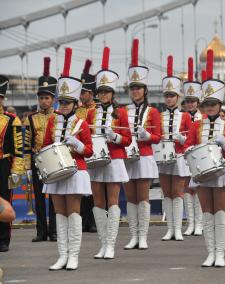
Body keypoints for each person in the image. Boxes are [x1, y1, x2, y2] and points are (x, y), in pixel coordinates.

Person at [183, 49, 225, 267]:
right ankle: (210, 252)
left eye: (213, 105)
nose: (209, 108)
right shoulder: (196, 125)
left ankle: (221, 253)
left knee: (220, 211)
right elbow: (187, 145)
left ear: (219, 105)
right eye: (206, 105)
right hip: (202, 172)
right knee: (207, 212)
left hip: (222, 171)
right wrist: (190, 148)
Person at [42, 48, 93, 270]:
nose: (62, 106)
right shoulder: (52, 122)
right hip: (55, 172)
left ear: (74, 104)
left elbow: (89, 151)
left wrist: (78, 144)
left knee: (73, 213)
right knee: (59, 213)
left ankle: (74, 255)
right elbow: (44, 145)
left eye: (66, 103)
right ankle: (62, 255)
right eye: (60, 103)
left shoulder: (82, 124)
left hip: (75, 170)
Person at [86, 46, 132, 259]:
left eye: (106, 91)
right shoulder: (91, 113)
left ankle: (111, 244)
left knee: (113, 201)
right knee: (98, 202)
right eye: (100, 92)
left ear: (112, 93)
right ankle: (102, 243)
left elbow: (128, 140)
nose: (103, 95)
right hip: (95, 161)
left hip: (114, 159)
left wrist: (114, 136)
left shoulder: (120, 112)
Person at [123, 39, 161, 250]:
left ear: (145, 90)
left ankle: (143, 236)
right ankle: (133, 235)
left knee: (143, 196)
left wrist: (146, 135)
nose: (135, 91)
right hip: (128, 157)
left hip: (145, 156)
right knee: (130, 197)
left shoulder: (153, 111)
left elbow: (158, 137)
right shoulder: (123, 111)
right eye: (132, 88)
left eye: (139, 88)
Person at [157, 55, 192, 241]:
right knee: (167, 192)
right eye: (167, 96)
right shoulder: (160, 115)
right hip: (163, 157)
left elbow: (190, 138)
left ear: (178, 97)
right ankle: (170, 228)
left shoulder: (185, 116)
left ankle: (178, 228)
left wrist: (182, 139)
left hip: (178, 156)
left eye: (172, 96)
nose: (169, 99)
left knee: (178, 192)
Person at [23, 57, 58, 242]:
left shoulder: (59, 117)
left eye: (47, 98)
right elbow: (27, 145)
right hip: (37, 162)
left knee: (53, 197)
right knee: (38, 198)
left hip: (53, 161)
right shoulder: (30, 119)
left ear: (53, 99)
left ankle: (54, 231)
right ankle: (40, 231)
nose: (44, 101)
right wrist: (28, 167)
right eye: (41, 98)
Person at [0, 75, 24, 252]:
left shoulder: (11, 119)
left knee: (5, 203)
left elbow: (19, 149)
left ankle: (3, 240)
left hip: (3, 165)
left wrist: (16, 171)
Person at [182, 57, 204, 236]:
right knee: (186, 190)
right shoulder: (182, 117)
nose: (190, 104)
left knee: (198, 189)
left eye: (193, 101)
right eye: (188, 101)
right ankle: (190, 223)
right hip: (185, 155)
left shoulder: (202, 118)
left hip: (198, 155)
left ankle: (200, 223)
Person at [76, 59, 98, 233]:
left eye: (84, 92)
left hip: (94, 151)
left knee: (94, 189)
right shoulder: (77, 110)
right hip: (79, 151)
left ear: (91, 93)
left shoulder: (97, 109)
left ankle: (93, 221)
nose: (81, 95)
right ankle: (84, 220)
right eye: (81, 92)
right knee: (82, 188)